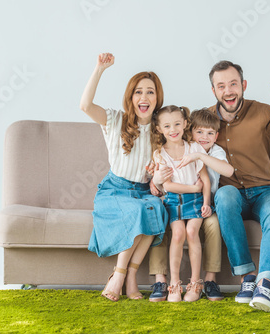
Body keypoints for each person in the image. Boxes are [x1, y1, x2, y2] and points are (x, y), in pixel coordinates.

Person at [208, 60, 270, 312]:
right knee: (224, 195)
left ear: (243, 85)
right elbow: (180, 147)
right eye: (221, 86)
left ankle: (264, 282)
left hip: (265, 191)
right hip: (231, 195)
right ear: (214, 91)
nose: (228, 91)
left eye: (233, 84)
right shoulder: (206, 120)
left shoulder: (263, 112)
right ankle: (247, 277)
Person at [80, 53, 168, 302]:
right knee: (136, 211)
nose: (144, 97)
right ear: (131, 97)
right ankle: (119, 276)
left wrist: (157, 178)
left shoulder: (162, 128)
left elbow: (168, 166)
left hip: (143, 191)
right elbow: (85, 106)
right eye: (138, 92)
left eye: (150, 92)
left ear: (157, 98)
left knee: (155, 208)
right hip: (114, 190)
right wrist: (99, 69)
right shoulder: (115, 120)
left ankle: (130, 274)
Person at [148, 109, 234, 302]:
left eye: (177, 124)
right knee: (177, 233)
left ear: (185, 124)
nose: (173, 129)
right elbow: (168, 185)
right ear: (159, 129)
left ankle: (196, 283)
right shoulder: (160, 154)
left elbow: (206, 180)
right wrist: (193, 189)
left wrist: (205, 203)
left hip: (196, 202)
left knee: (192, 232)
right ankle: (174, 284)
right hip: (174, 200)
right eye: (167, 126)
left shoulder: (195, 149)